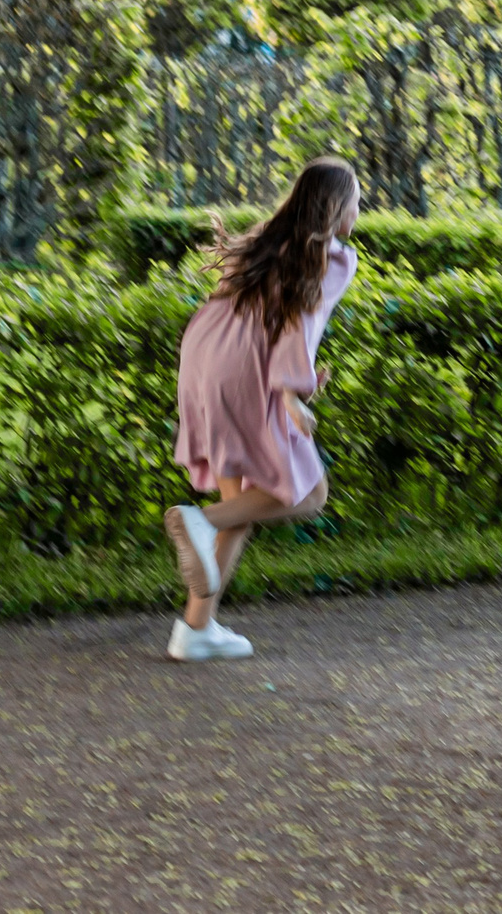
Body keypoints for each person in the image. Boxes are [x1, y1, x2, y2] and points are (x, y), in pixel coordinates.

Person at [163, 156, 361, 661]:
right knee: (310, 493)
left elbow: (257, 315)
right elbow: (302, 322)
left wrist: (294, 383)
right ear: (337, 207)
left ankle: (195, 630)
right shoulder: (334, 256)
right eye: (356, 202)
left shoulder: (265, 242)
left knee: (242, 508)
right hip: (249, 369)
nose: (358, 213)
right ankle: (199, 520)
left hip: (205, 359)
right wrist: (292, 391)